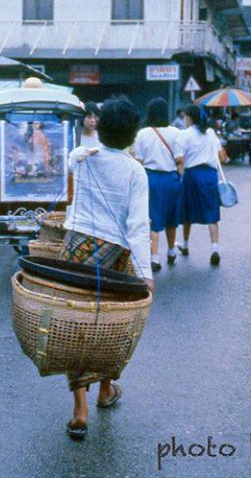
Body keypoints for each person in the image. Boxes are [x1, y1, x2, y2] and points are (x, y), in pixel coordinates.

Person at [60, 95, 153, 441]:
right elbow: (138, 227)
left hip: (74, 248)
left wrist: (84, 151)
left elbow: (72, 158)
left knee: (75, 324)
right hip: (114, 256)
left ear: (99, 128)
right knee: (107, 326)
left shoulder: (83, 159)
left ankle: (79, 410)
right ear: (132, 134)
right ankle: (104, 389)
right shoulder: (134, 171)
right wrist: (146, 274)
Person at [132, 97, 183, 272]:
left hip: (150, 179)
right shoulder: (176, 132)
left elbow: (138, 160)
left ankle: (154, 258)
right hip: (171, 179)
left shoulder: (143, 133)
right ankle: (171, 251)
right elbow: (180, 159)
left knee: (153, 218)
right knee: (171, 217)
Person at [178, 104, 226, 266]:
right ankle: (214, 249)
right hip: (210, 175)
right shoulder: (211, 132)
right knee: (212, 211)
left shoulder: (185, 135)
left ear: (190, 118)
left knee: (187, 211)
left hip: (192, 175)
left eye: (185, 116)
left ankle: (185, 245)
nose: (183, 119)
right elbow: (222, 156)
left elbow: (180, 158)